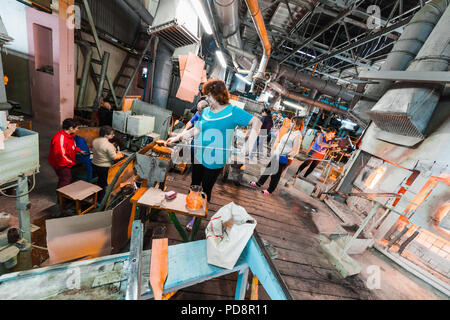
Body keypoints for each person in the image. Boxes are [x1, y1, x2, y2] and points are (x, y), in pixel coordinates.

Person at [166, 78, 261, 203]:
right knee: (194, 185)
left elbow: (257, 122)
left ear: (217, 95)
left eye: (208, 96)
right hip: (199, 155)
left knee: (205, 190)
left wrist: (249, 145)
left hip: (215, 160)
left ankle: (197, 218)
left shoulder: (233, 111)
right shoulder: (206, 111)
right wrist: (178, 137)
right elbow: (196, 130)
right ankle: (190, 209)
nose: (207, 99)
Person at [249, 117, 304, 195]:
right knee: (268, 170)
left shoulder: (297, 135)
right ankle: (259, 184)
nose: (291, 124)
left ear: (298, 125)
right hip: (277, 154)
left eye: (293, 122)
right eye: (291, 122)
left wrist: (286, 154)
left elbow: (295, 151)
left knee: (275, 175)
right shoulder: (290, 132)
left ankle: (270, 190)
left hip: (283, 158)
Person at [49, 118, 86, 188]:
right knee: (66, 179)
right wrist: (71, 162)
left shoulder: (70, 135)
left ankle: (61, 193)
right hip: (61, 164)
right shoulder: (60, 138)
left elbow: (72, 146)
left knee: (63, 178)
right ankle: (62, 197)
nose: (77, 130)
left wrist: (79, 150)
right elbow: (61, 155)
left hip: (66, 162)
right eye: (77, 128)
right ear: (71, 128)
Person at [92, 126, 124, 200]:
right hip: (104, 167)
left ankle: (98, 193)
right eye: (111, 134)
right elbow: (114, 157)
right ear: (106, 135)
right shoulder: (109, 146)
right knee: (104, 183)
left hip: (95, 164)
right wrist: (120, 154)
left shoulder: (95, 140)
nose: (113, 135)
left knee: (100, 180)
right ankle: (101, 198)